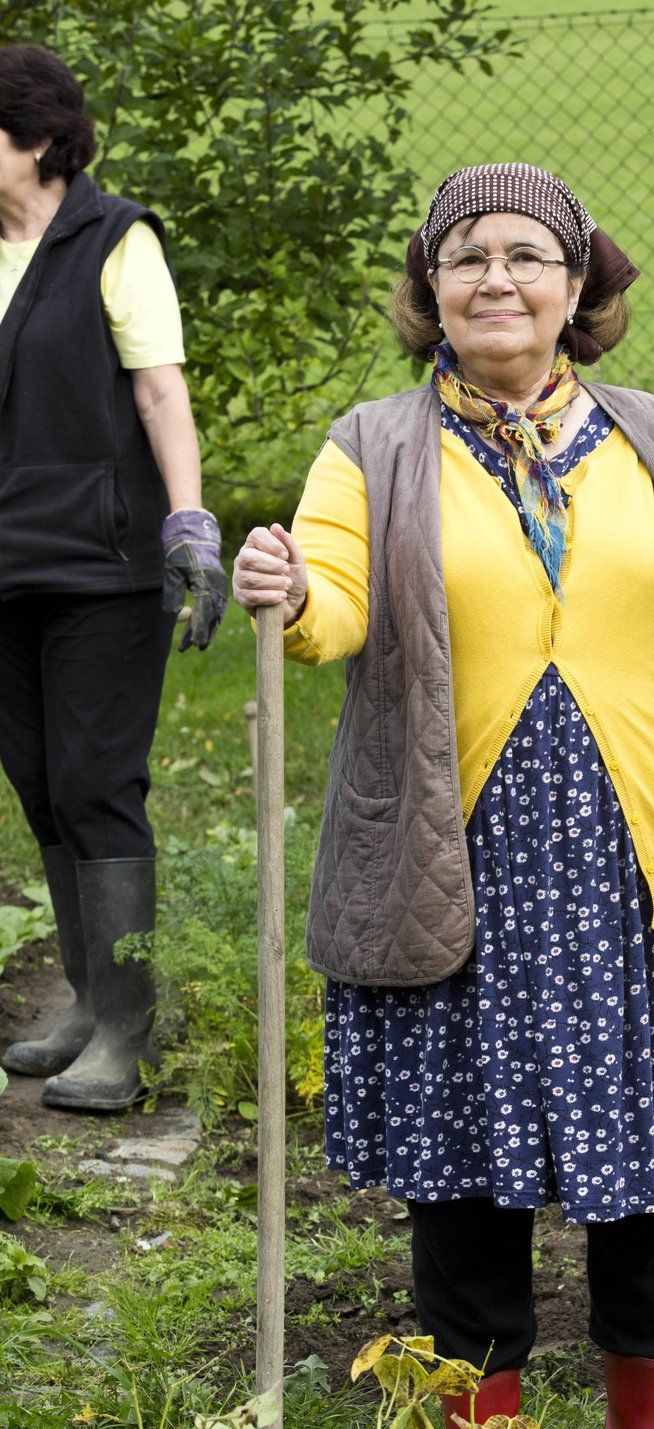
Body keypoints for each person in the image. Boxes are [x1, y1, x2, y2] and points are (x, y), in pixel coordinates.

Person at [233, 162, 654, 1429]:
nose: (495, 279)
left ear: (575, 289)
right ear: (430, 293)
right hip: (460, 863)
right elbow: (330, 603)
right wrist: (285, 590)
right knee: (467, 1185)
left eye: (525, 256)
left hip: (644, 864)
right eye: (465, 259)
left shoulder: (653, 437)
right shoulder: (372, 448)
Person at [0, 44, 227, 1112]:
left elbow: (159, 390)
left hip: (101, 563)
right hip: (2, 565)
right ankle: (88, 998)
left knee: (96, 783)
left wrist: (188, 520)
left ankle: (128, 1026)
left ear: (39, 139)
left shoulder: (113, 237)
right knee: (42, 784)